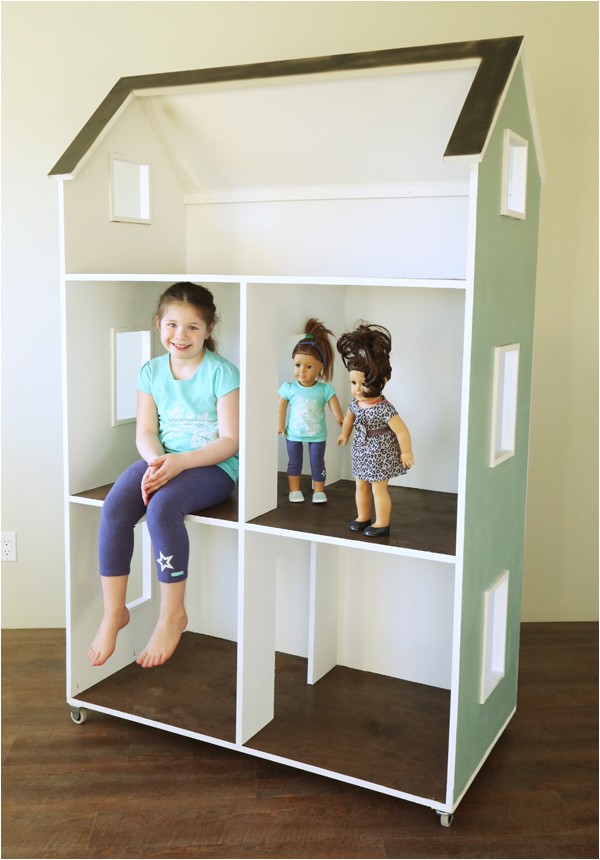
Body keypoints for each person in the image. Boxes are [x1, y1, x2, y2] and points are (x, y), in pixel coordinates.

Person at [88, 282, 239, 669]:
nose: (180, 335)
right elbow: (145, 432)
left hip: (211, 467)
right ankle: (114, 611)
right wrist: (158, 462)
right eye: (172, 325)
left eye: (192, 327)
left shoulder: (222, 373)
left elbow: (230, 442)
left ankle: (173, 615)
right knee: (116, 506)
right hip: (163, 460)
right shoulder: (151, 371)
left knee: (161, 509)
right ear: (158, 324)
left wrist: (181, 463)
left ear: (209, 329)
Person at [336, 322, 414, 537]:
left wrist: (406, 451)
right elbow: (349, 418)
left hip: (380, 453)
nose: (357, 389)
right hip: (361, 451)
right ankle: (363, 517)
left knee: (378, 488)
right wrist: (344, 433)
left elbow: (401, 431)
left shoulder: (384, 408)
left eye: (364, 383)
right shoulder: (356, 404)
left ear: (382, 381)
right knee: (360, 485)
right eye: (353, 383)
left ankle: (382, 523)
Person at [278, 318, 344, 503]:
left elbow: (336, 410)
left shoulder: (325, 389)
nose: (302, 371)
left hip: (317, 436)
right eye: (297, 365)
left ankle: (319, 491)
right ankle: (294, 490)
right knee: (294, 463)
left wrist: (342, 421)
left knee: (317, 462)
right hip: (293, 434)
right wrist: (280, 425)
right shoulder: (289, 388)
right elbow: (281, 408)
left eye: (308, 366)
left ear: (320, 366)